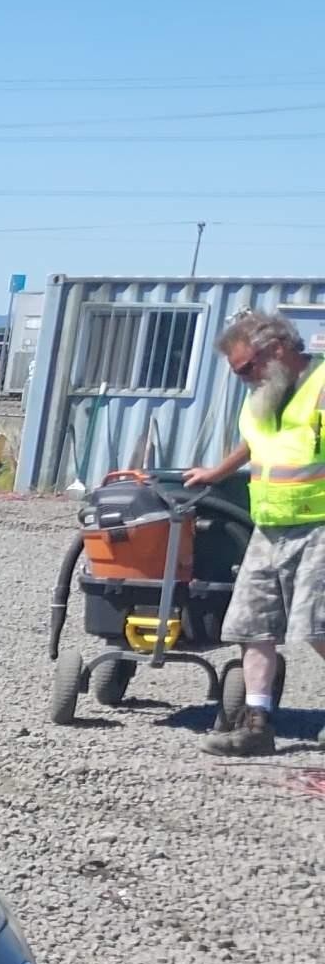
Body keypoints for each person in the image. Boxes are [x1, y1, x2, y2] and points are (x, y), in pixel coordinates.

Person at [185, 309, 324, 758]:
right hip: (270, 527)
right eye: (237, 373)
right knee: (252, 626)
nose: (245, 379)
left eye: (248, 368)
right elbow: (254, 440)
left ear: (278, 350)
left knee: (317, 628)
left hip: (318, 526)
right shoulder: (266, 393)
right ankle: (257, 725)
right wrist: (215, 472)